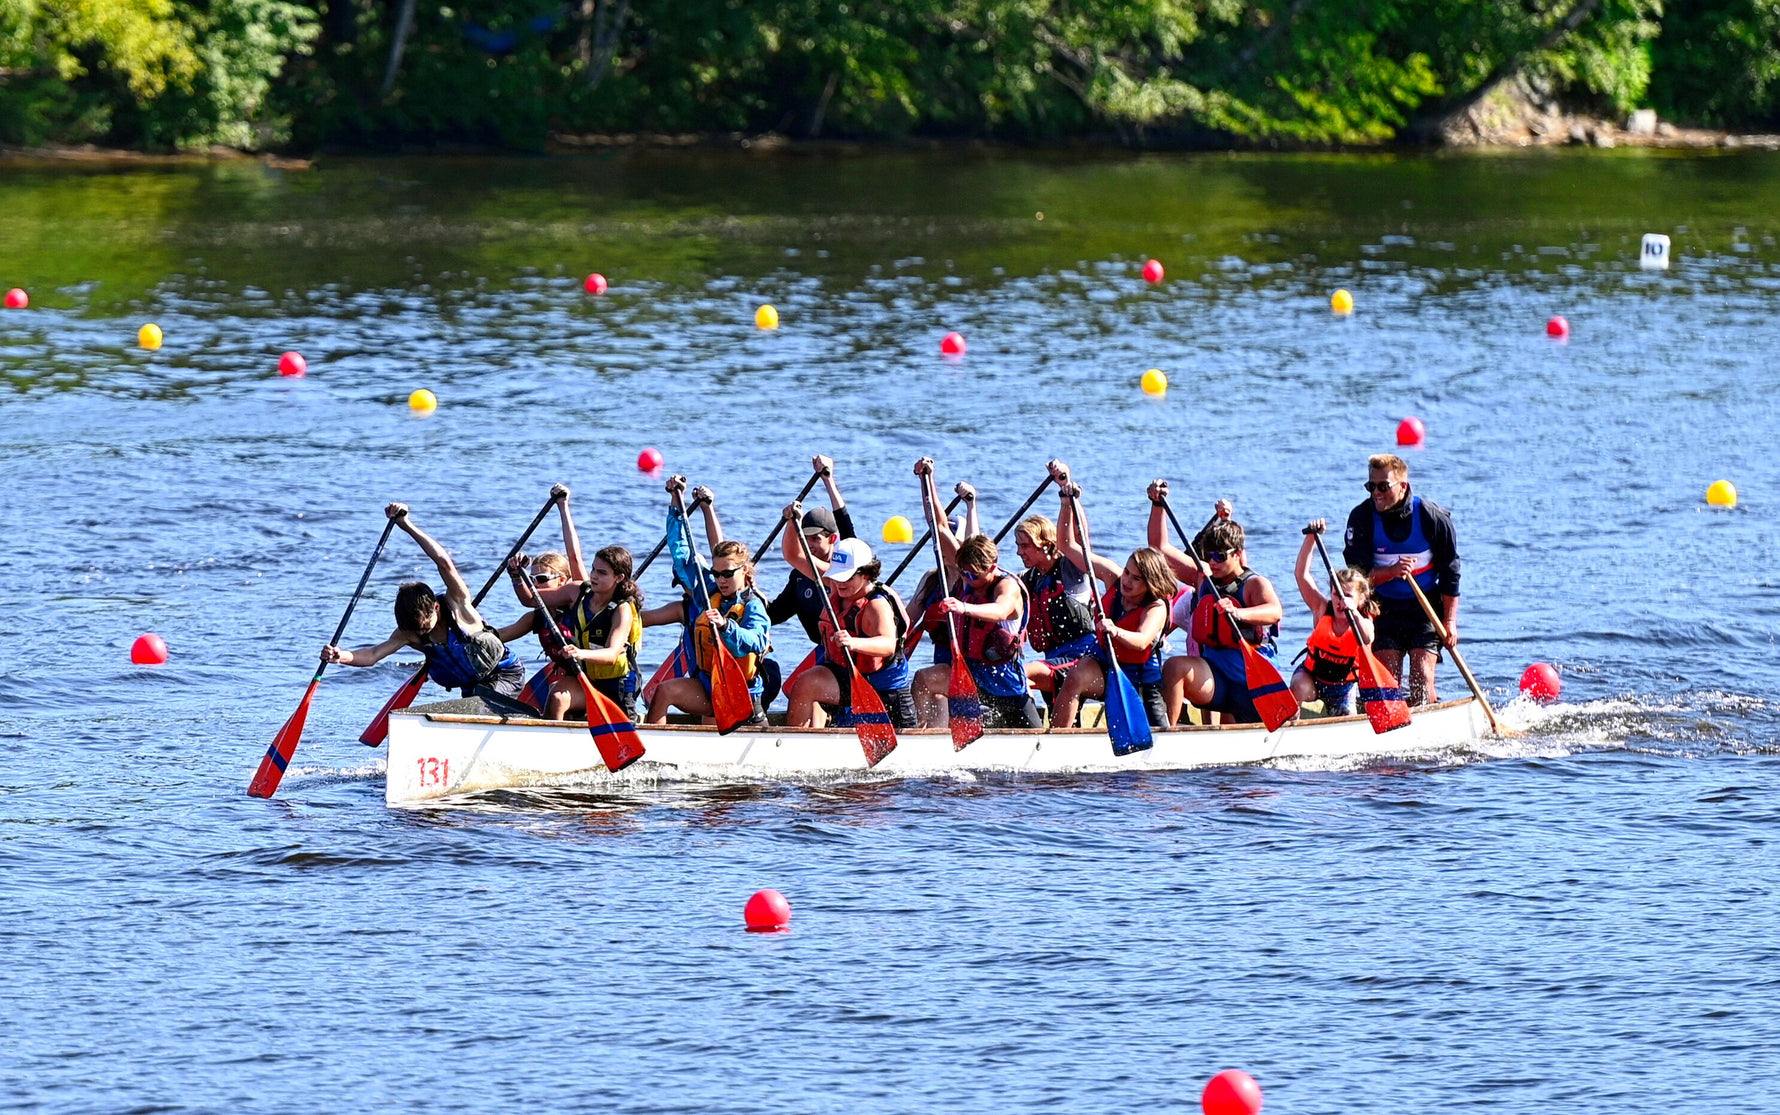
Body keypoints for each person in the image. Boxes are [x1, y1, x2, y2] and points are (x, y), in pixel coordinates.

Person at [321, 503, 527, 712]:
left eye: (425, 626)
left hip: (504, 674)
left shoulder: (457, 603)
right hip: (473, 689)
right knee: (470, 707)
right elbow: (373, 654)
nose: (422, 632)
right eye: (416, 630)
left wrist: (405, 524)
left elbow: (443, 562)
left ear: (436, 607)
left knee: (474, 709)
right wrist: (340, 656)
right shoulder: (408, 632)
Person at [491, 485, 644, 721]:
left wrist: (579, 653)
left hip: (618, 686)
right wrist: (515, 576)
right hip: (587, 679)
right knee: (558, 696)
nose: (593, 576)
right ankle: (555, 741)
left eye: (602, 573)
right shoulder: (577, 591)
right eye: (593, 570)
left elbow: (613, 654)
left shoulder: (621, 610)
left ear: (619, 578)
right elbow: (530, 599)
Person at [910, 457, 1041, 730]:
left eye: (973, 576)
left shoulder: (1007, 586)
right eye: (964, 573)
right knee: (923, 679)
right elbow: (938, 526)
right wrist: (926, 480)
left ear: (992, 568)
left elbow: (1001, 610)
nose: (967, 580)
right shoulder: (967, 571)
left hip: (1005, 685)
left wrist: (964, 608)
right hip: (969, 676)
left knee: (1033, 740)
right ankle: (924, 736)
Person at [1146, 482, 1284, 725]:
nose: (1213, 561)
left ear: (1237, 554)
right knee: (1174, 667)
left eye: (1220, 556)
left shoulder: (1254, 584)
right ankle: (1169, 734)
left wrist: (1239, 614)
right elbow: (1160, 548)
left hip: (1251, 680)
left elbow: (1274, 612)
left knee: (1243, 729)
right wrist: (1158, 505)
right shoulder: (1203, 578)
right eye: (1209, 555)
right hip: (1216, 678)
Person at [640, 476, 772, 726]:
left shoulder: (753, 605)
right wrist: (675, 504)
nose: (721, 579)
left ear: (745, 571)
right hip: (709, 686)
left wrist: (725, 626)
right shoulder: (708, 592)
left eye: (727, 574)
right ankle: (653, 750)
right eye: (717, 573)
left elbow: (756, 641)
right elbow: (681, 551)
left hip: (741, 696)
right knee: (664, 690)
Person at [1342, 453, 1460, 705]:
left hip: (1424, 607)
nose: (1376, 493)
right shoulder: (1361, 518)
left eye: (1383, 486)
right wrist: (1391, 572)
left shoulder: (1432, 517)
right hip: (1382, 607)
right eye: (1370, 486)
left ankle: (1427, 720)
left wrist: (1449, 622)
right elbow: (1356, 581)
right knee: (1387, 680)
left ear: (1402, 486)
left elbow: (1450, 572)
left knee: (1422, 675)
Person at [783, 533, 917, 729]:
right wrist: (791, 522)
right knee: (805, 683)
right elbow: (794, 555)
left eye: (846, 577)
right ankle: (792, 743)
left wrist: (853, 643)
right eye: (836, 576)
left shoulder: (876, 605)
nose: (839, 583)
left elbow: (888, 644)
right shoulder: (839, 586)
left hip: (886, 694)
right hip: (850, 678)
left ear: (866, 574)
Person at [1016, 460, 1101, 709]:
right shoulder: (1027, 579)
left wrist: (1067, 495)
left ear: (1045, 543)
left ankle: (1029, 730)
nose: (1020, 552)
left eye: (1025, 545)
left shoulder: (1070, 568)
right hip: (1053, 658)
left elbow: (1080, 536)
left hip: (1082, 658)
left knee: (1024, 673)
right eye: (1018, 546)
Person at [1290, 519, 1378, 716]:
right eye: (1337, 594)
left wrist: (1353, 613)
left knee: (1347, 717)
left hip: (1343, 689)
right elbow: (1301, 574)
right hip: (1311, 679)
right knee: (1298, 687)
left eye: (1347, 596)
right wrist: (1311, 539)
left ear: (1361, 599)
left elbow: (1368, 638)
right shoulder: (1322, 608)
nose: (1340, 601)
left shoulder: (1362, 620)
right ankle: (1291, 724)